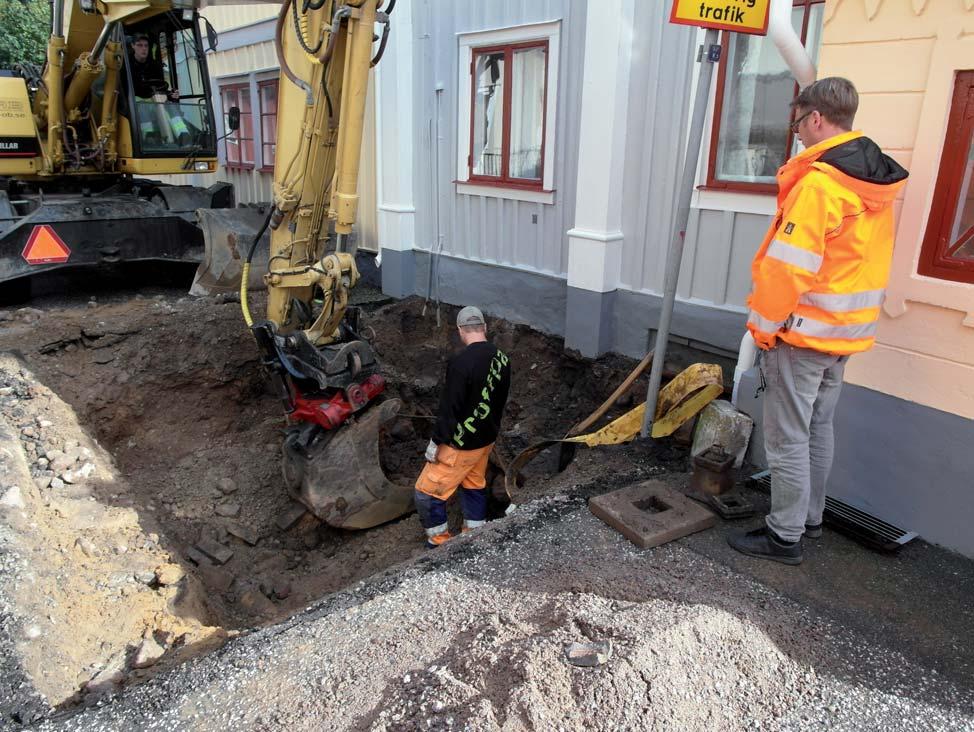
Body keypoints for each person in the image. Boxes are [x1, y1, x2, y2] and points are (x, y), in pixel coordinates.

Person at [728, 77, 908, 565]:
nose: (799, 136)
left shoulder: (820, 185)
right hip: (844, 334)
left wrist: (763, 330)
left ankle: (783, 536)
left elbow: (787, 268)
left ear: (815, 119)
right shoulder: (873, 183)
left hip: (802, 334)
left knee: (787, 438)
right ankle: (810, 518)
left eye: (798, 125)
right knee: (818, 428)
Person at [414, 306, 512, 548]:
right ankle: (474, 535)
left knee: (426, 493)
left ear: (460, 330)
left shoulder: (460, 362)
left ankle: (439, 543)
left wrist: (437, 441)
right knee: (473, 483)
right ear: (484, 328)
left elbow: (451, 407)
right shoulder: (502, 359)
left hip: (461, 444)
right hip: (486, 439)